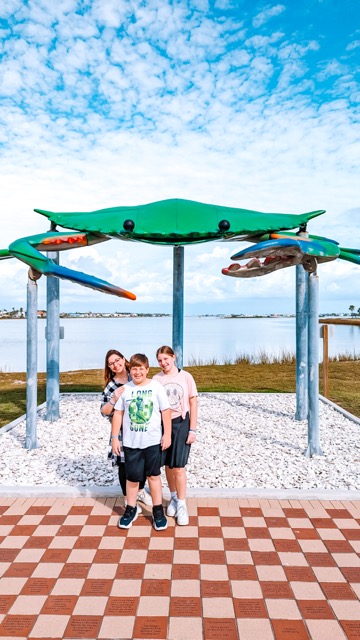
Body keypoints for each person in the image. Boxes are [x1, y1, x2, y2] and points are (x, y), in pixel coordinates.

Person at [111, 353, 172, 531]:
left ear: (147, 370)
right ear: (130, 370)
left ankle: (158, 510)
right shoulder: (125, 389)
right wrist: (115, 437)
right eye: (134, 369)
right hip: (131, 443)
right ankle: (131, 509)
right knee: (132, 479)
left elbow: (165, 411)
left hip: (152, 442)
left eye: (141, 369)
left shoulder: (156, 387)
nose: (137, 372)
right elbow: (118, 414)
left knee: (153, 476)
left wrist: (167, 434)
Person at [100, 349, 152, 509]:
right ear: (108, 367)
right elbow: (104, 411)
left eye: (117, 360)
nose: (115, 365)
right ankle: (127, 497)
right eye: (111, 363)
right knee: (124, 464)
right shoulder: (111, 386)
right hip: (122, 430)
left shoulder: (135, 374)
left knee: (141, 460)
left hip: (141, 426)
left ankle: (141, 491)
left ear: (123, 358)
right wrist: (114, 399)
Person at [153, 345, 198, 526]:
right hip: (163, 425)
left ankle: (182, 503)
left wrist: (192, 429)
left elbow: (193, 402)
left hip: (181, 423)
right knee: (168, 464)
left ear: (173, 357)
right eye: (160, 360)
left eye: (166, 359)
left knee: (179, 466)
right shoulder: (156, 379)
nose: (163, 363)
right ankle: (172, 497)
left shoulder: (186, 377)